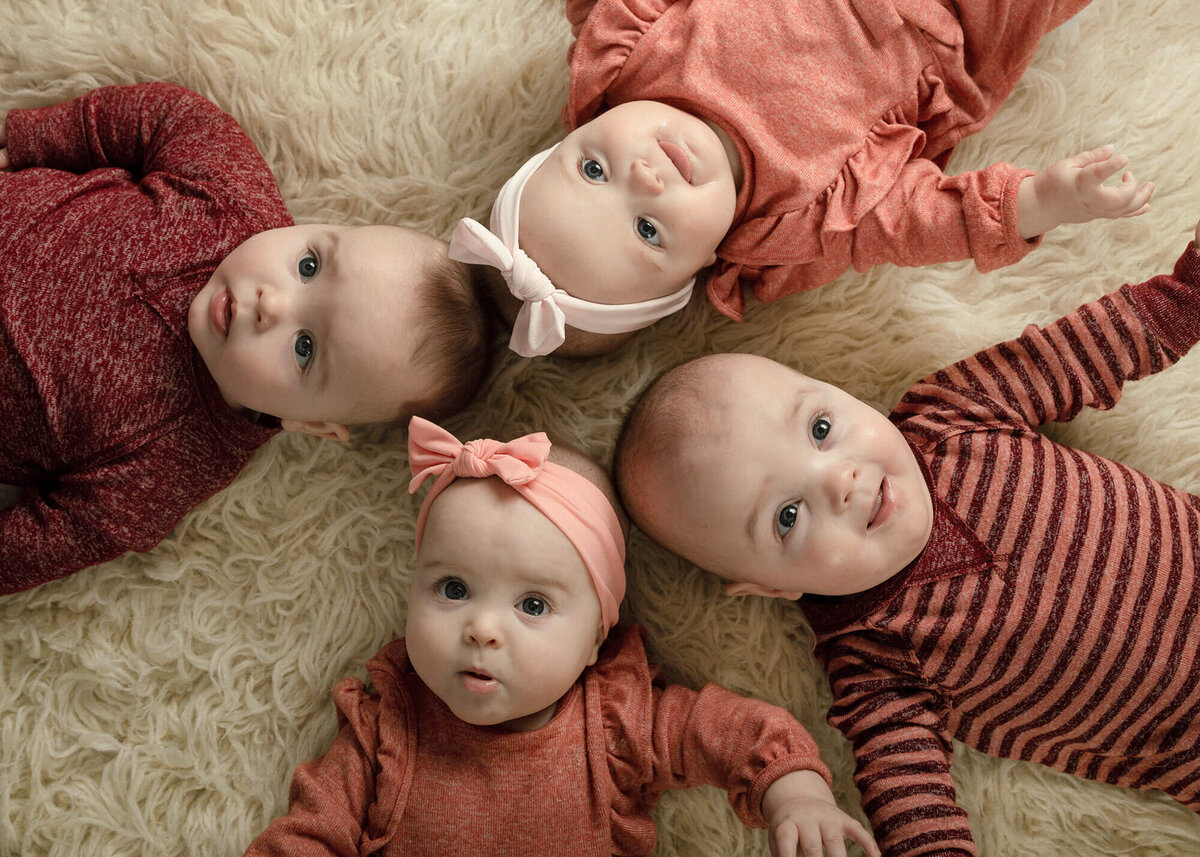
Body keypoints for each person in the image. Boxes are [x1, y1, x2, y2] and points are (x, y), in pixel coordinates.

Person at [613, 220, 1200, 856]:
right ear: (774, 587)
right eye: (786, 516)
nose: (839, 480)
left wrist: (1189, 292)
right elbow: (909, 794)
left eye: (820, 428)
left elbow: (1085, 352)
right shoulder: (872, 659)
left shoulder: (952, 411)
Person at [244, 417, 880, 857]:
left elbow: (726, 731)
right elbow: (310, 833)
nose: (482, 629)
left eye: (532, 604)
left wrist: (793, 794)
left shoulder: (615, 720)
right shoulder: (390, 728)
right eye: (454, 589)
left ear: (594, 638)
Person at [449, 0, 1154, 358]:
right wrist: (1042, 201)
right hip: (959, 21)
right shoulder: (789, 230)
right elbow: (914, 223)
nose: (647, 176)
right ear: (700, 270)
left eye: (594, 169)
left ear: (568, 136)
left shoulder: (623, 55)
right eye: (647, 228)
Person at [0, 82, 492, 594]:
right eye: (309, 265)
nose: (271, 304)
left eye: (305, 348)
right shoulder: (234, 199)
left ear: (311, 423)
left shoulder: (174, 462)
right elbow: (169, 116)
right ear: (324, 225)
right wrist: (34, 139)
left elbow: (52, 538)